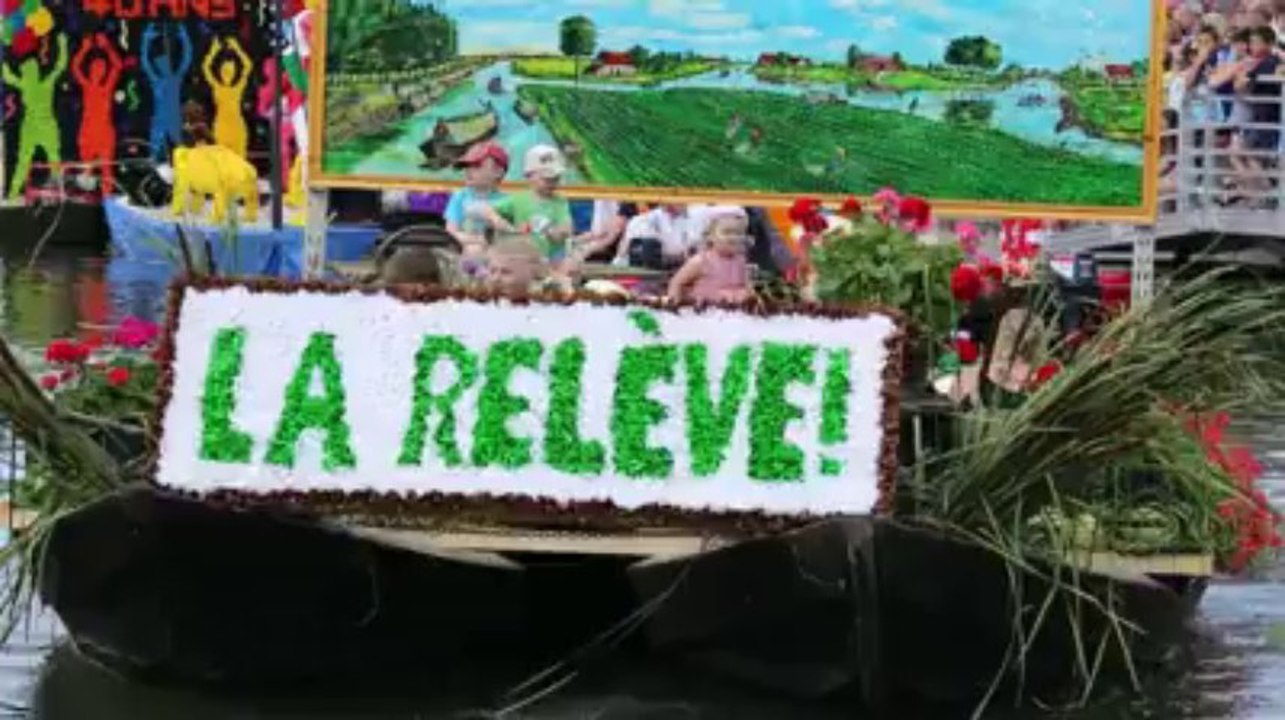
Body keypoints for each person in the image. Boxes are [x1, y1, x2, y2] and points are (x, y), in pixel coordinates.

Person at [484, 145, 573, 265]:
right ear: (529, 176)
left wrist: (552, 231)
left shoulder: (559, 202)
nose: (552, 183)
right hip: (523, 257)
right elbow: (488, 210)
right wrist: (498, 221)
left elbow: (566, 229)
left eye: (556, 178)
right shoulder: (519, 199)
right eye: (547, 179)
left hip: (550, 259)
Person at [4, 34, 67, 199]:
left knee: (34, 161)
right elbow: (60, 66)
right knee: (46, 160)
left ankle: (13, 193)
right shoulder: (41, 82)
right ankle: (14, 193)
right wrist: (62, 44)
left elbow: (7, 75)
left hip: (37, 128)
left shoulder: (28, 83)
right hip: (38, 128)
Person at [71, 34, 124, 196]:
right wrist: (84, 49)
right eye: (96, 67)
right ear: (92, 70)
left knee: (106, 169)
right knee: (87, 167)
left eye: (101, 68)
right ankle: (88, 198)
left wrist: (107, 47)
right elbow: (75, 68)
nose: (98, 70)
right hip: (88, 132)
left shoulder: (107, 87)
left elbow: (117, 66)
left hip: (104, 132)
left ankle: (107, 200)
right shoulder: (87, 86)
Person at [667, 206, 754, 304]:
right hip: (705, 313)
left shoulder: (741, 261)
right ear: (710, 236)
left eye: (738, 233)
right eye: (727, 232)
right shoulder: (701, 261)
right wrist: (674, 306)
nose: (733, 237)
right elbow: (676, 283)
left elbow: (748, 287)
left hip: (735, 313)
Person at [444, 141, 509, 258]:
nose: (468, 170)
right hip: (464, 254)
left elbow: (510, 234)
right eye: (467, 165)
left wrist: (493, 218)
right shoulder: (460, 197)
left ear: (498, 172)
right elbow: (451, 233)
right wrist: (479, 240)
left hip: (496, 255)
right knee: (474, 250)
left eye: (477, 165)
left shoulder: (507, 201)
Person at [141, 24, 192, 163]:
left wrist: (184, 37)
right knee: (155, 156)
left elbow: (186, 59)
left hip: (174, 121)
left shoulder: (175, 78)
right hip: (160, 121)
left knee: (181, 159)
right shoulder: (157, 80)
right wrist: (146, 38)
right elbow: (145, 62)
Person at [202, 36, 251, 158]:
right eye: (225, 70)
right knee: (223, 158)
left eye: (231, 70)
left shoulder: (237, 87)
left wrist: (237, 48)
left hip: (236, 125)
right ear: (221, 71)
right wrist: (213, 51)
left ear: (234, 71)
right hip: (222, 126)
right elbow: (205, 67)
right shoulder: (217, 86)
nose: (228, 73)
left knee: (240, 158)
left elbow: (248, 66)